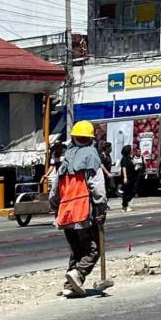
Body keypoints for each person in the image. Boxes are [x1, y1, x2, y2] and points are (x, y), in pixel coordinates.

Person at [49, 121, 107, 298]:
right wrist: (101, 208)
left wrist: (54, 205)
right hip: (83, 212)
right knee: (93, 249)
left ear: (74, 137)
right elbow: (97, 187)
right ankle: (78, 274)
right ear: (90, 139)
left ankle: (70, 285)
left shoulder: (66, 159)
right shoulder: (92, 156)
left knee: (76, 250)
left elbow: (55, 188)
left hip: (66, 213)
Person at [119, 145, 136, 212]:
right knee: (126, 193)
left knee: (131, 192)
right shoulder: (124, 158)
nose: (131, 151)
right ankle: (125, 206)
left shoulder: (129, 158)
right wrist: (125, 177)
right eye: (130, 150)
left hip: (131, 178)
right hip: (127, 178)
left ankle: (126, 206)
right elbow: (124, 168)